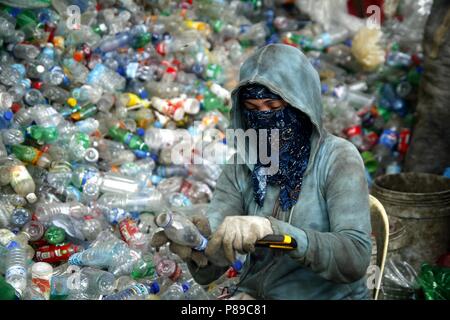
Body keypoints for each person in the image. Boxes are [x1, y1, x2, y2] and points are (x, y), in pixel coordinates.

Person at [151, 43, 372, 300]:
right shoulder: (242, 165)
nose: (263, 119)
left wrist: (274, 230)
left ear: (300, 106)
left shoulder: (337, 158)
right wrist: (199, 246)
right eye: (253, 109)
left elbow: (355, 258)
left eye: (273, 106)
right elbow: (210, 270)